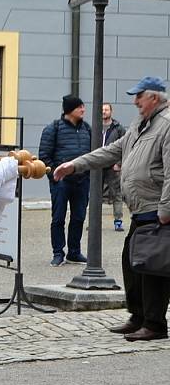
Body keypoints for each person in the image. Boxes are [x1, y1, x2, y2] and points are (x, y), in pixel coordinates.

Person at [53, 77, 170, 342]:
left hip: (156, 209)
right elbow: (111, 151)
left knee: (152, 268)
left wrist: (166, 208)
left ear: (154, 98)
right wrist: (74, 165)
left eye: (139, 96)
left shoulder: (166, 125)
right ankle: (138, 317)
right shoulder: (140, 125)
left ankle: (155, 324)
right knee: (132, 264)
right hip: (140, 209)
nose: (135, 101)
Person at [38, 94, 92, 266]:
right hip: (61, 182)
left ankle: (74, 252)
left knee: (79, 217)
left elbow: (93, 154)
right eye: (79, 107)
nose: (83, 109)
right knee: (58, 218)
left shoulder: (87, 129)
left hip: (82, 181)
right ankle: (58, 252)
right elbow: (44, 156)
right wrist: (55, 176)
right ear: (69, 110)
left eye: (83, 106)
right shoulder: (53, 128)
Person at [102, 102, 127, 231]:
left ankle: (118, 221)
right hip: (97, 166)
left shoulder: (118, 128)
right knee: (94, 194)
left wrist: (119, 163)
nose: (104, 112)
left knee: (116, 194)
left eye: (106, 110)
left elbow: (126, 146)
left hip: (113, 166)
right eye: (102, 110)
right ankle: (93, 222)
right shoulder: (94, 127)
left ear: (111, 111)